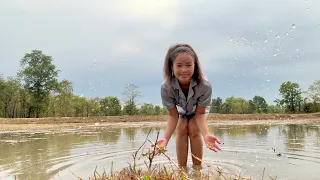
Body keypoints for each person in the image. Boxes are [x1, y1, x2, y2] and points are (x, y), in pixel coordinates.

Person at [154, 43, 221, 169]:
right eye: (179, 65)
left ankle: (197, 170)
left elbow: (200, 114)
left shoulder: (204, 85)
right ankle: (182, 170)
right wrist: (165, 139)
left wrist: (206, 135)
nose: (184, 70)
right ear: (171, 67)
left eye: (189, 65)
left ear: (195, 66)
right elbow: (173, 116)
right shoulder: (166, 87)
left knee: (194, 129)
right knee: (182, 128)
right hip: (181, 111)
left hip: (198, 111)